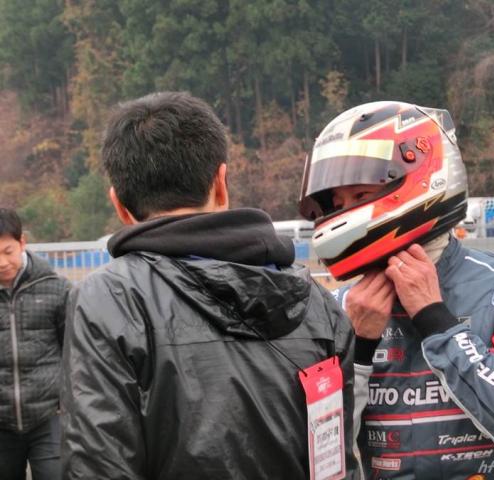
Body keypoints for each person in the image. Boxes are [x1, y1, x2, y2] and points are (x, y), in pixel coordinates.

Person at [61, 91, 358, 480]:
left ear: (119, 205)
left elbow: (98, 463)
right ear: (221, 183)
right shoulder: (318, 303)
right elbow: (335, 463)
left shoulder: (109, 299)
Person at [299, 101, 494, 479]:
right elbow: (320, 457)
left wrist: (435, 318)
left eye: (360, 196)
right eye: (339, 203)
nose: (345, 212)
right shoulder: (341, 306)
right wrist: (357, 349)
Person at [0, 208, 70, 480]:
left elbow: (74, 351)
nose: (2, 262)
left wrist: (67, 402)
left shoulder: (56, 288)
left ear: (22, 243)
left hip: (48, 414)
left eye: (7, 251)